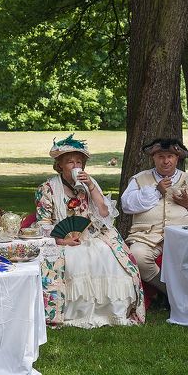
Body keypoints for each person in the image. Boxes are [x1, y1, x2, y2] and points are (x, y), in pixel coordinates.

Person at [36, 135, 144, 328]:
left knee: (106, 253)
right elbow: (43, 223)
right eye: (70, 161)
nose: (75, 165)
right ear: (59, 165)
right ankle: (73, 313)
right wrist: (62, 240)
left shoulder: (89, 184)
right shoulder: (47, 188)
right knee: (76, 258)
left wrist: (91, 187)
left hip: (92, 234)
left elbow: (104, 214)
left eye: (79, 162)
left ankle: (112, 312)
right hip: (62, 239)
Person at [121, 138, 188, 295]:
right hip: (147, 236)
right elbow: (127, 205)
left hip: (182, 235)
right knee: (137, 256)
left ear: (177, 159)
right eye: (161, 156)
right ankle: (170, 293)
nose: (166, 161)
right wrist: (157, 191)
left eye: (170, 156)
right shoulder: (139, 179)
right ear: (153, 158)